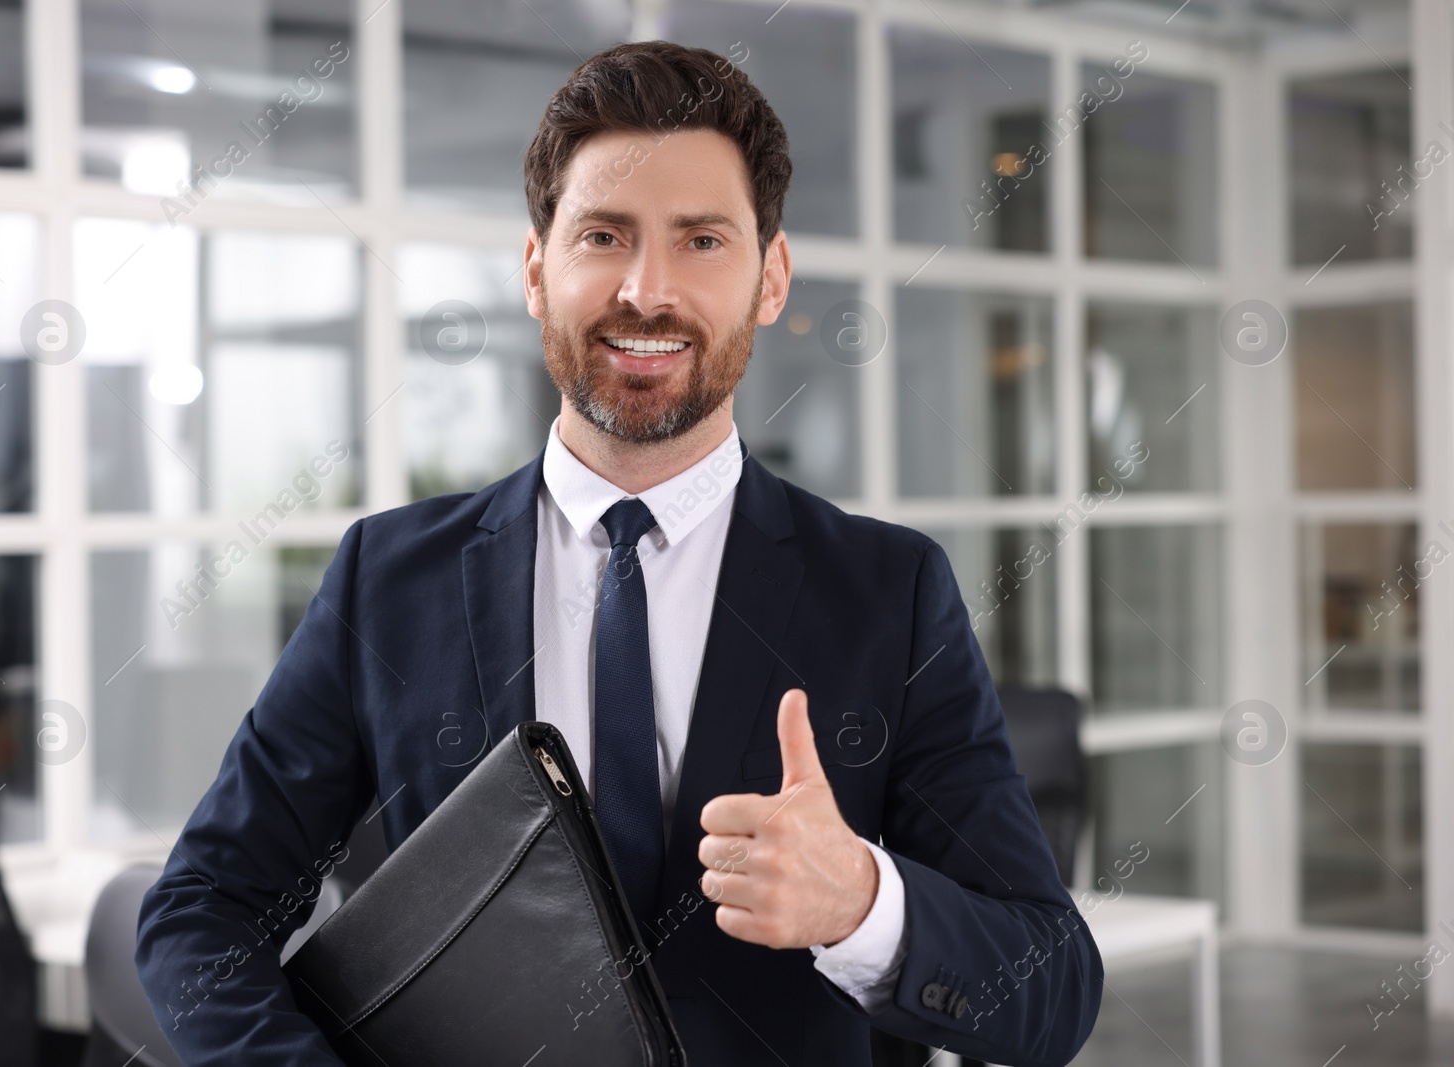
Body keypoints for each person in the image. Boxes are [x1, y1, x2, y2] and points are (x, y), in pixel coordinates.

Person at [135, 39, 1103, 1067]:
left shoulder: (885, 590)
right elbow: (200, 913)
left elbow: (1049, 986)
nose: (647, 289)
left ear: (770, 278)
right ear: (535, 268)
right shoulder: (390, 576)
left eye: (701, 240)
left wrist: (861, 902)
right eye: (604, 234)